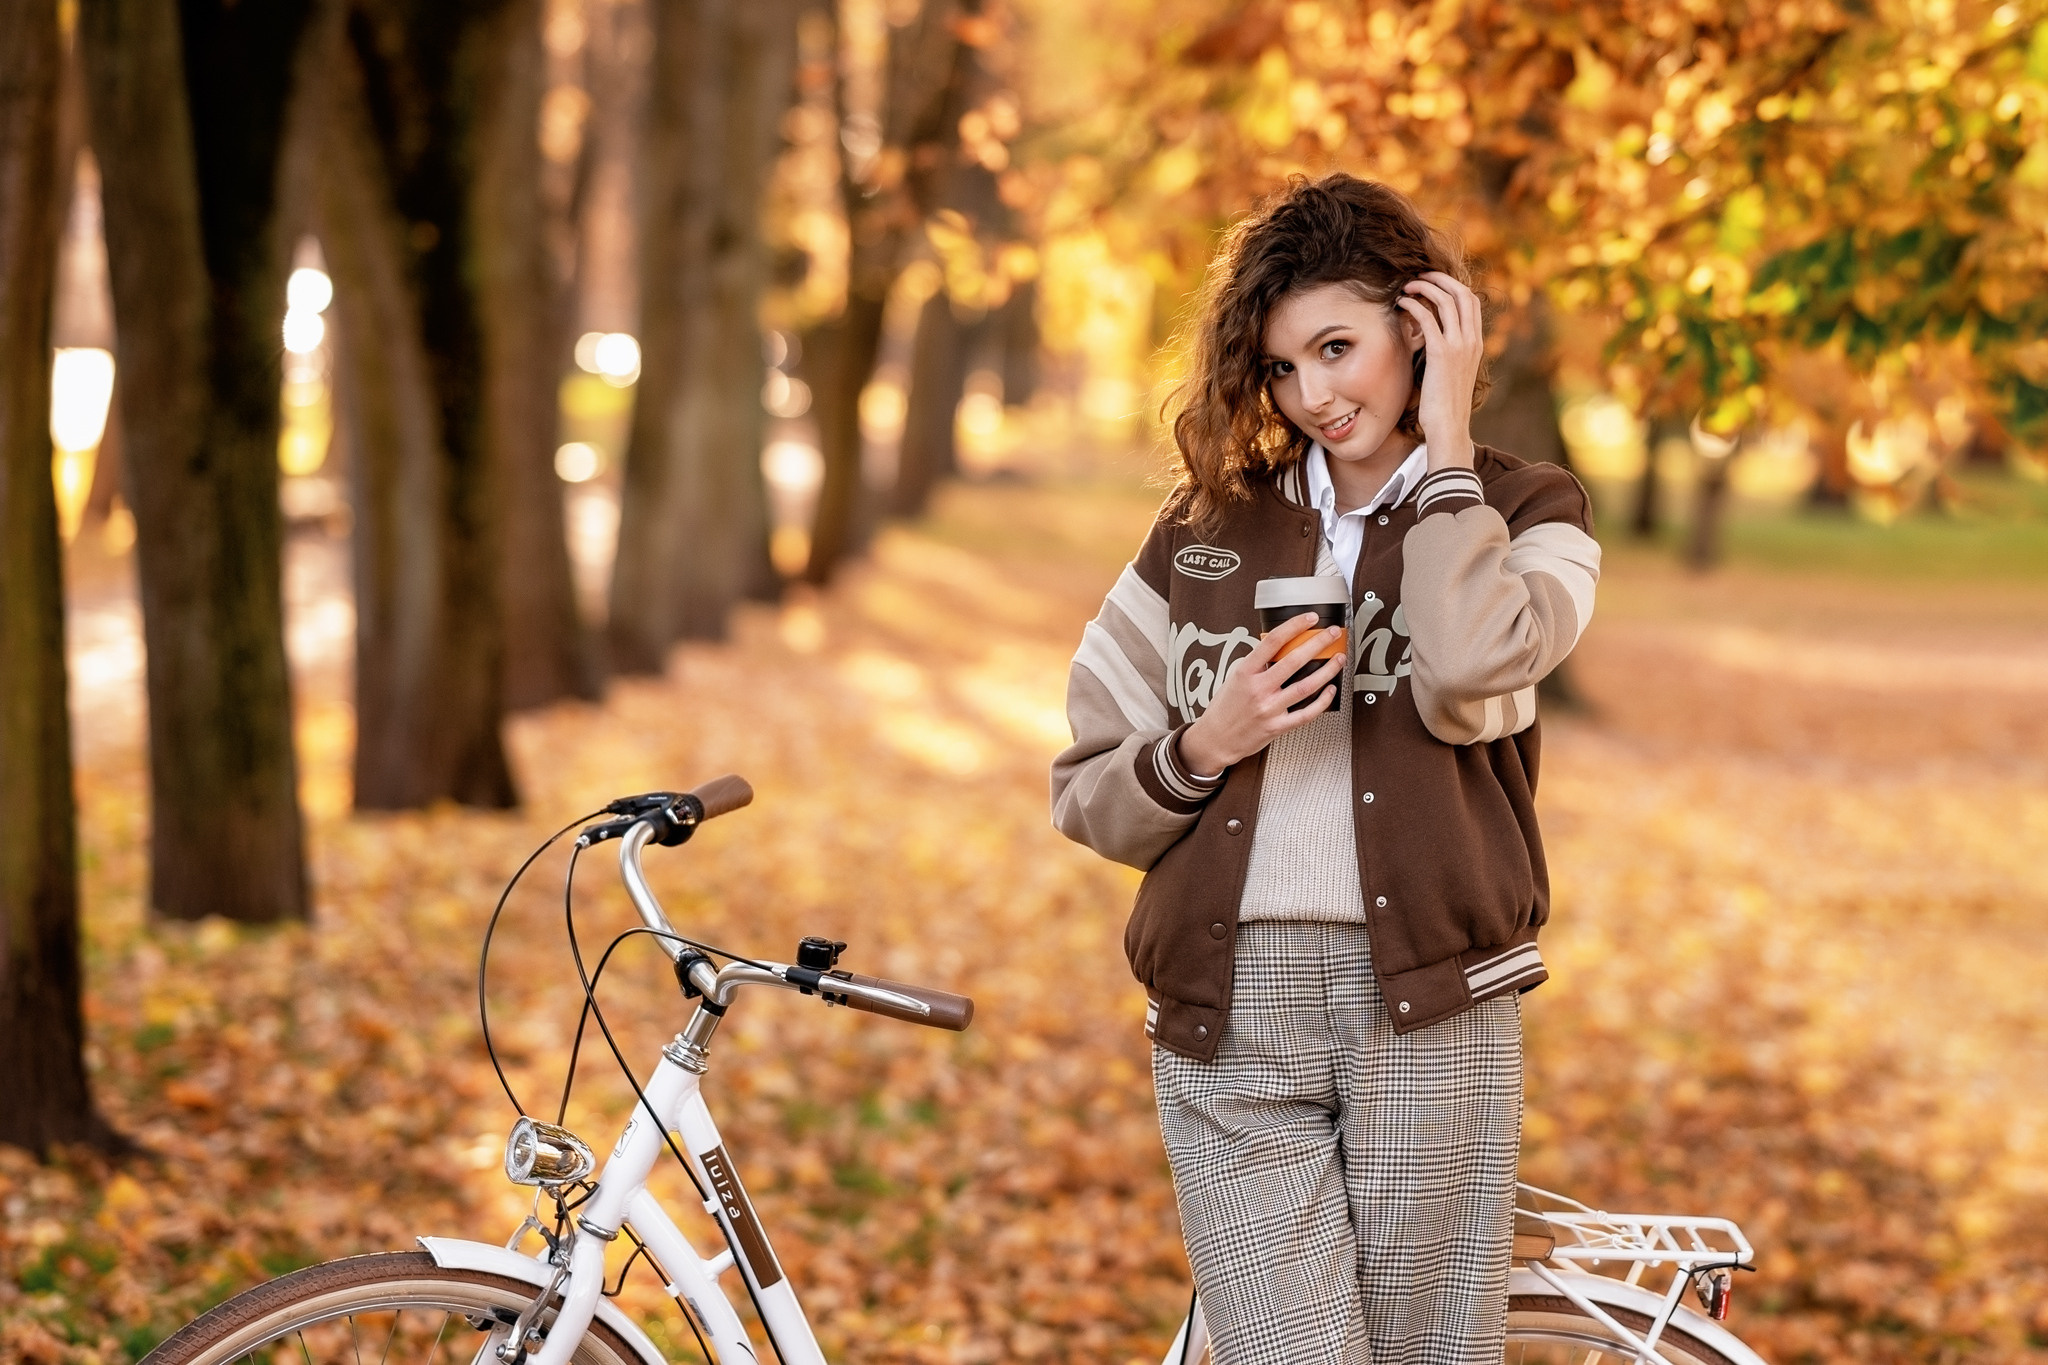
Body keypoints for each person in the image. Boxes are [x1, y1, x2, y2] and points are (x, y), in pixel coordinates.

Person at [1048, 173, 1601, 1365]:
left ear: (1421, 325)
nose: (1312, 396)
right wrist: (1209, 740)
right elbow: (1082, 784)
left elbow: (1469, 671)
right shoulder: (1202, 530)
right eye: (1281, 366)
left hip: (1432, 1003)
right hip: (1227, 1009)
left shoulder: (1530, 511)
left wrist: (1444, 455)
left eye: (1336, 348)